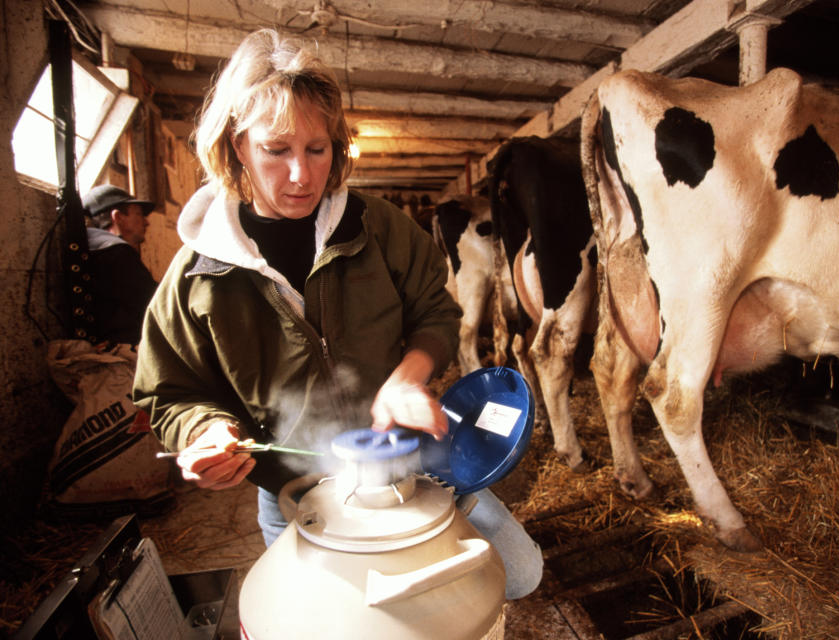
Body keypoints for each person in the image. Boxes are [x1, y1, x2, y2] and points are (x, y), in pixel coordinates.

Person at [132, 28, 542, 599]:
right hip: (298, 490)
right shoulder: (197, 276)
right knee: (341, 617)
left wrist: (409, 376)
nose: (301, 175)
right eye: (276, 150)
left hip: (412, 464)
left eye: (316, 149)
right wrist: (205, 429)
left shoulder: (379, 227)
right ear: (236, 145)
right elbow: (168, 391)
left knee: (521, 574)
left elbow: (435, 310)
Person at [82, 184, 158, 345]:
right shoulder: (116, 253)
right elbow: (156, 304)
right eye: (138, 214)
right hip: (125, 348)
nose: (146, 222)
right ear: (118, 217)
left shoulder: (91, 247)